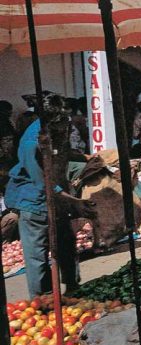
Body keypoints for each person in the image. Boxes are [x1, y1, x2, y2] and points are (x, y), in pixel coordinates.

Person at [5, 94, 96, 298]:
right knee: (37, 253)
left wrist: (89, 158)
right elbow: (42, 182)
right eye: (62, 122)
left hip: (59, 200)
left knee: (66, 242)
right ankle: (42, 298)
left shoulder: (59, 131)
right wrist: (75, 201)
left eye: (68, 121)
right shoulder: (32, 143)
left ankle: (72, 286)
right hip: (34, 201)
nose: (67, 126)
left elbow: (63, 154)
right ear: (49, 122)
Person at [0, 101, 17, 192]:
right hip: (4, 156)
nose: (10, 113)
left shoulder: (6, 122)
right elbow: (7, 141)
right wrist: (9, 156)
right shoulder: (4, 123)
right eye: (9, 111)